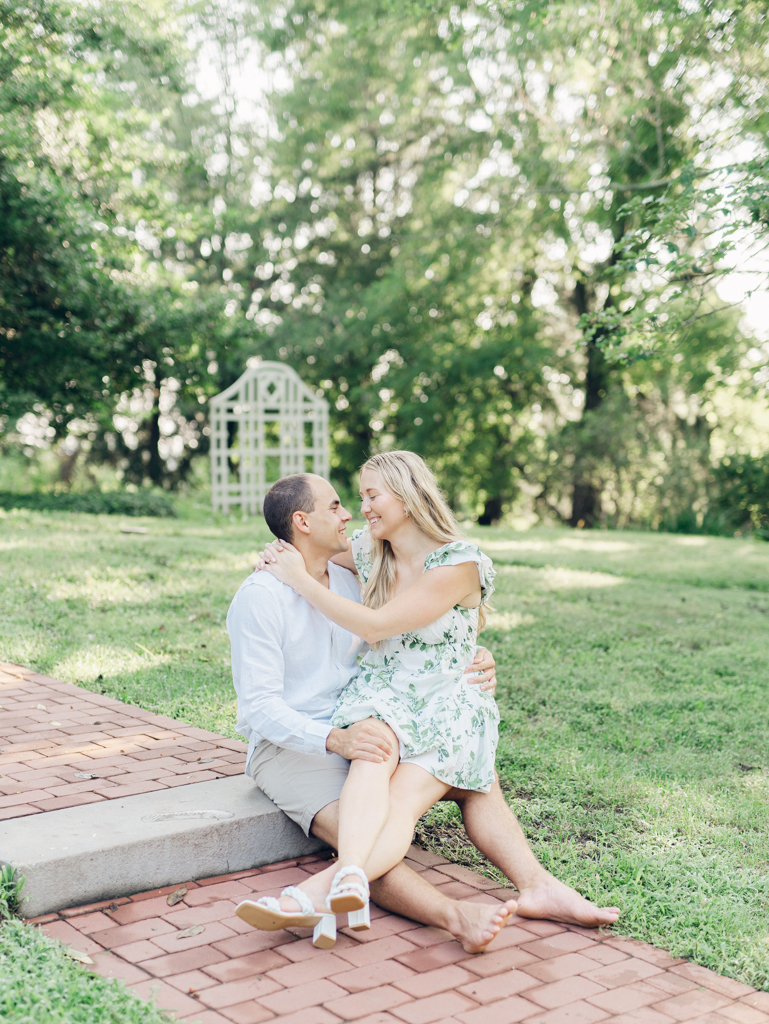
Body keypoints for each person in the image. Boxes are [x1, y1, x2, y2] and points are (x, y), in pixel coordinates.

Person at [227, 466, 619, 952]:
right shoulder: (268, 594)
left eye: (368, 497)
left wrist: (471, 655)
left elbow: (398, 628)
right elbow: (258, 709)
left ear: (407, 498)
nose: (353, 511)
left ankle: (533, 884)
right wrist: (334, 739)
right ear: (303, 523)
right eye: (339, 505)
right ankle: (456, 916)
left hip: (381, 715)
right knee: (375, 817)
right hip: (300, 743)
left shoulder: (356, 576)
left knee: (465, 774)